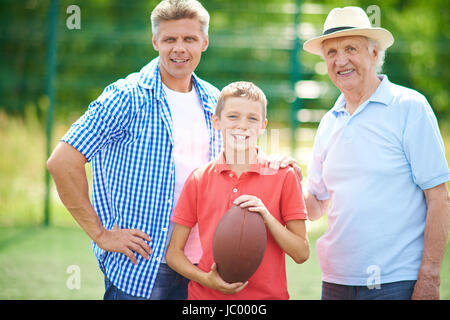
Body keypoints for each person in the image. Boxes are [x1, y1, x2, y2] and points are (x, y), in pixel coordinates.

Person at [47, 0, 300, 300]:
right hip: (142, 269)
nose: (179, 48)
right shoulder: (126, 97)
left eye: (189, 39)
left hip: (205, 267)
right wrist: (101, 235)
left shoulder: (214, 100)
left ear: (204, 42)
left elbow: (237, 161)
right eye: (170, 39)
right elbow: (62, 161)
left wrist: (277, 164)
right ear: (155, 41)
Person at [302, 6, 450, 300]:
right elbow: (315, 205)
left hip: (396, 283)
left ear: (373, 53)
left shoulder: (409, 107)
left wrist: (430, 278)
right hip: (335, 282)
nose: (340, 60)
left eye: (350, 48)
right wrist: (280, 178)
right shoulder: (329, 122)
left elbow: (439, 198)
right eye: (331, 53)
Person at [166, 81, 309, 300]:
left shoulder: (283, 176)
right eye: (233, 116)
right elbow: (174, 253)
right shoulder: (199, 179)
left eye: (252, 118)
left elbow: (301, 253)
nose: (242, 125)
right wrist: (206, 279)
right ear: (216, 121)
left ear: (263, 125)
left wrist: (267, 217)